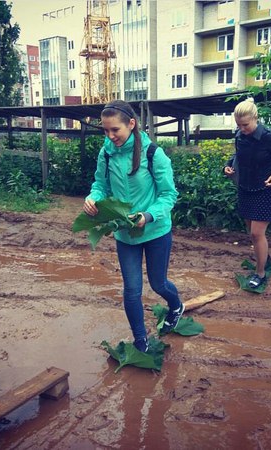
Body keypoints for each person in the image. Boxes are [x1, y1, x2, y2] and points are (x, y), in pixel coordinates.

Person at [82, 100, 184, 353]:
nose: (110, 136)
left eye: (115, 130)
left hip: (155, 230)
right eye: (105, 131)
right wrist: (93, 197)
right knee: (131, 290)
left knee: (159, 284)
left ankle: (176, 306)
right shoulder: (106, 153)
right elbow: (100, 185)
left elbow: (169, 195)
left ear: (131, 123)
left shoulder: (153, 154)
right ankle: (141, 342)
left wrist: (147, 216)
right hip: (125, 233)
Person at [224, 98, 271, 289]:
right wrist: (228, 166)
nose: (241, 128)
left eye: (245, 125)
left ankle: (260, 273)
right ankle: (264, 258)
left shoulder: (269, 137)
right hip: (246, 187)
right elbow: (236, 155)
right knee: (252, 232)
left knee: (257, 233)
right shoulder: (240, 135)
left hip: (266, 188)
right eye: (238, 125)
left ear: (255, 118)